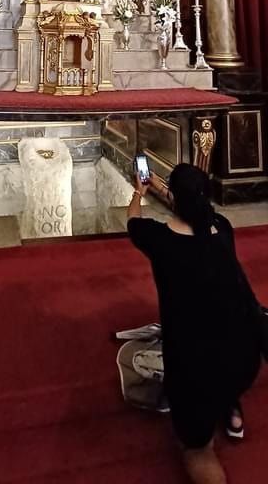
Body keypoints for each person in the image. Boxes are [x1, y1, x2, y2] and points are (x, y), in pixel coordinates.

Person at [127, 163, 262, 484]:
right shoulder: (223, 228)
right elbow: (193, 208)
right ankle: (230, 408)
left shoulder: (159, 239)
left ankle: (209, 421)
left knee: (196, 450)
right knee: (223, 355)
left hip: (196, 371)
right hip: (246, 359)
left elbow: (133, 219)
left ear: (175, 197)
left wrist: (140, 191)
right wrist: (165, 188)